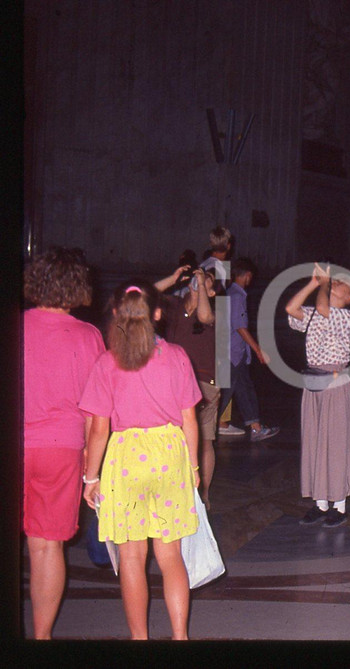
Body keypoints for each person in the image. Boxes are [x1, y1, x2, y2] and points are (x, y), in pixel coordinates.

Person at [80, 281, 203, 640]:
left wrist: (91, 478)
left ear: (116, 313)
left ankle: (140, 640)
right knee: (170, 556)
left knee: (132, 558)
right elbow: (190, 420)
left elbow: (99, 430)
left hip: (125, 458)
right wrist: (193, 467)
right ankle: (180, 637)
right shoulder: (177, 356)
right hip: (169, 453)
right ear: (158, 314)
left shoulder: (107, 361)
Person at [22, 248, 106, 639]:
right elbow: (97, 412)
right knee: (46, 547)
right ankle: (41, 638)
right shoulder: (88, 337)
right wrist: (93, 472)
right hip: (61, 450)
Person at [286, 264, 350, 527]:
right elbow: (291, 309)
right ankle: (320, 504)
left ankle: (339, 506)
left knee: (336, 443)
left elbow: (322, 309)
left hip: (335, 383)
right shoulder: (318, 313)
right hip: (313, 381)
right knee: (314, 441)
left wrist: (324, 284)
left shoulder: (347, 318)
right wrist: (314, 283)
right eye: (335, 282)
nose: (336, 285)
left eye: (342, 285)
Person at [159, 266, 222, 509]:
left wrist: (202, 289)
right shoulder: (175, 306)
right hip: (172, 382)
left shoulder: (215, 311)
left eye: (207, 282)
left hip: (204, 382)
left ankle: (202, 494)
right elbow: (142, 296)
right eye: (197, 280)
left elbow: (205, 317)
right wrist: (173, 279)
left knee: (204, 439)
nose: (199, 283)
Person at [218, 257, 279, 441]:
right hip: (232, 353)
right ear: (247, 276)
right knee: (223, 394)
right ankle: (201, 428)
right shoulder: (237, 296)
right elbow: (240, 326)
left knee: (244, 389)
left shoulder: (228, 294)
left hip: (233, 353)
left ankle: (256, 427)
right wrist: (258, 349)